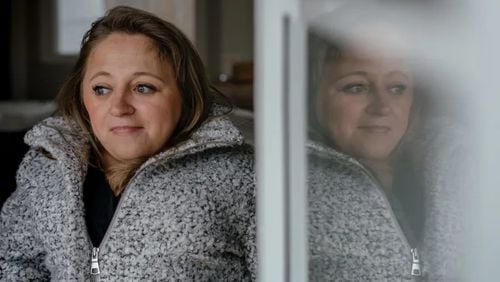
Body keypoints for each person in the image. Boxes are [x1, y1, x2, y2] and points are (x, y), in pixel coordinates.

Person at [0, 6, 256, 281]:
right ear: (82, 96)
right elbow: (16, 261)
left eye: (143, 87)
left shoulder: (243, 179)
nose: (119, 107)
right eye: (102, 89)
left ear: (186, 96)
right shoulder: (47, 167)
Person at [307, 4, 466, 281]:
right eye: (356, 86)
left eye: (397, 88)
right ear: (311, 94)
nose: (383, 107)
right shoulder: (285, 193)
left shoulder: (455, 171)